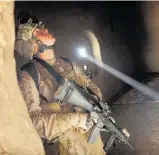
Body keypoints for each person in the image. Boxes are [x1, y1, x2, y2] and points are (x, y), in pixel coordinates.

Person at [15, 15, 105, 155]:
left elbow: (91, 87)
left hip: (93, 144)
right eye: (38, 31)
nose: (45, 31)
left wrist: (97, 106)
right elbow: (34, 123)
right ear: (32, 45)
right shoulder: (29, 74)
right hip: (68, 147)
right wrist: (77, 119)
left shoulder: (67, 63)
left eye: (42, 28)